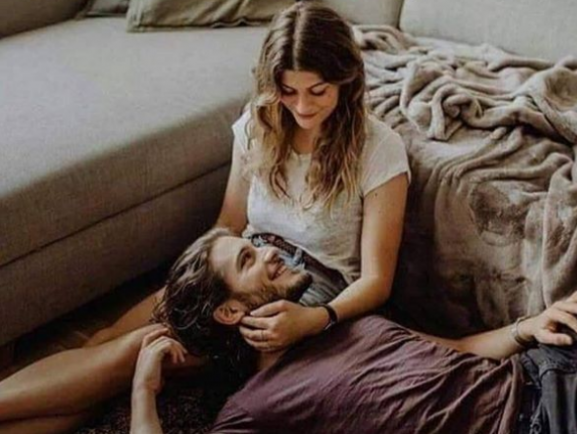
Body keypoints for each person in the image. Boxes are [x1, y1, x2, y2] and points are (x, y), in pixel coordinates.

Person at [0, 3, 409, 433]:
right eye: (288, 91)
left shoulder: (379, 150)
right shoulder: (260, 124)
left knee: (143, 348)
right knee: (106, 340)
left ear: (346, 80)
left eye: (318, 91)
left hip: (304, 292)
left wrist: (317, 318)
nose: (302, 106)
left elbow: (376, 280)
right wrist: (194, 280)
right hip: (238, 263)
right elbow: (228, 224)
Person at [132, 228, 577, 434]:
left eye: (254, 244)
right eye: (246, 259)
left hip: (540, 363)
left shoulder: (335, 321)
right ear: (230, 311)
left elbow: (459, 349)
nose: (269, 251)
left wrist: (529, 326)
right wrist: (143, 392)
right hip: (534, 423)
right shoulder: (254, 407)